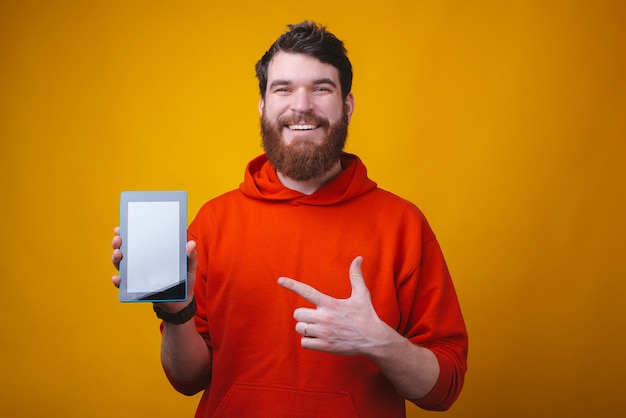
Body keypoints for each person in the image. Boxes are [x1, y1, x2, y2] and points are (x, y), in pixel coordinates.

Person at [112, 21, 468, 418]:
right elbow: (188, 380)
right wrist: (177, 311)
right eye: (283, 88)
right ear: (263, 105)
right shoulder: (213, 222)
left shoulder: (403, 224)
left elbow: (444, 390)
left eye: (321, 88)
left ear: (347, 104)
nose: (301, 105)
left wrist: (379, 341)